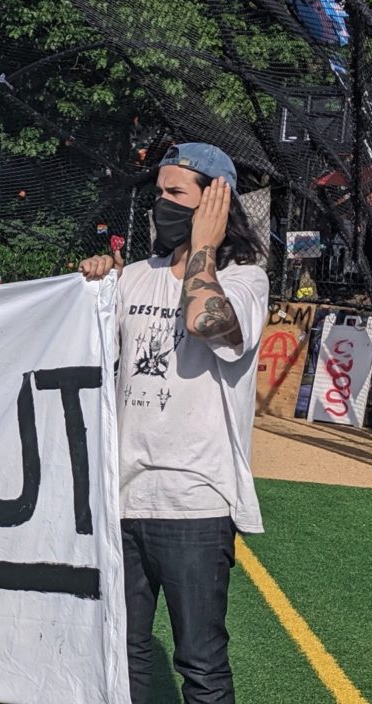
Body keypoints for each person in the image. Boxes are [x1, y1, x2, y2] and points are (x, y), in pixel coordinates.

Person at [79, 143, 269, 704]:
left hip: (195, 505)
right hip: (122, 499)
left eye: (175, 193)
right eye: (158, 192)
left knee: (201, 664)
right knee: (124, 652)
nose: (160, 203)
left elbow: (208, 322)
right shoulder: (134, 276)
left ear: (215, 201)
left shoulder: (245, 280)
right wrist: (93, 282)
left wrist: (205, 248)